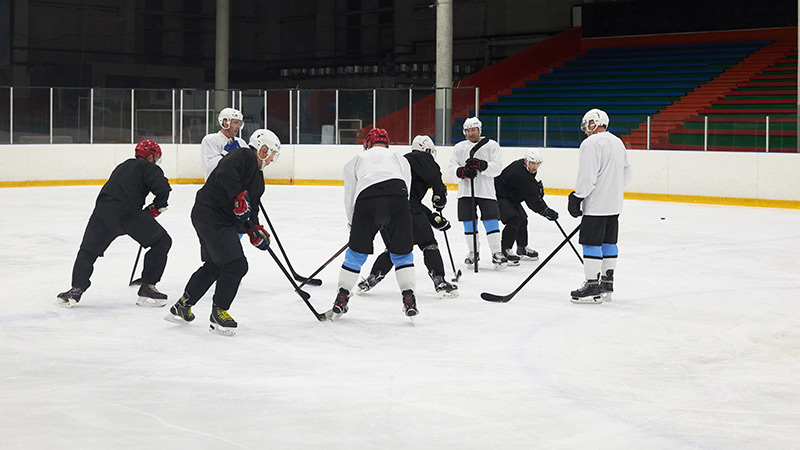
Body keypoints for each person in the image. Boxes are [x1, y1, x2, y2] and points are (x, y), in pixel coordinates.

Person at [165, 129, 280, 335]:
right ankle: (219, 313)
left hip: (214, 219)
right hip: (211, 216)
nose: (272, 160)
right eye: (272, 154)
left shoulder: (258, 181)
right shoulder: (243, 155)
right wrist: (239, 197)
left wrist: (255, 230)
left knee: (215, 266)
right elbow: (225, 173)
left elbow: (249, 209)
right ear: (263, 150)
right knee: (236, 265)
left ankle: (182, 305)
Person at [57, 140, 172, 308]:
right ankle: (148, 286)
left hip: (102, 212)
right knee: (162, 241)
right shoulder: (149, 167)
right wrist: (157, 206)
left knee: (88, 252)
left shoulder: (122, 166)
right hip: (128, 213)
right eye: (155, 158)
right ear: (151, 156)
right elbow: (163, 188)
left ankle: (76, 289)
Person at [355, 135, 458, 298]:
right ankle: (440, 280)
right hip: (406, 209)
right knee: (428, 244)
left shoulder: (401, 161)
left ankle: (371, 278)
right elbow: (433, 180)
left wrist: (431, 217)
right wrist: (440, 193)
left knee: (394, 248)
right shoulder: (423, 157)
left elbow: (412, 200)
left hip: (385, 210)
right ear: (428, 150)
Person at [331, 127, 418, 319]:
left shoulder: (356, 160)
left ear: (368, 143)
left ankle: (342, 298)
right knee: (402, 254)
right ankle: (409, 297)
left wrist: (353, 225)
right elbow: (407, 189)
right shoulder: (399, 158)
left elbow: (350, 196)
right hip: (398, 199)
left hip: (367, 200)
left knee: (356, 254)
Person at [567, 108, 632, 304]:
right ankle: (607, 282)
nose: (585, 129)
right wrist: (612, 188)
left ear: (594, 123)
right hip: (614, 204)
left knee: (591, 242)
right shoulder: (618, 142)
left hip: (596, 204)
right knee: (608, 242)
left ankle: (592, 285)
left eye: (587, 125)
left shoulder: (590, 143)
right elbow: (627, 173)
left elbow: (587, 175)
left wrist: (577, 196)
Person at [448, 117, 507, 270]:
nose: (470, 133)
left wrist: (483, 165)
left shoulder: (492, 145)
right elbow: (451, 167)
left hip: (486, 191)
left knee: (491, 221)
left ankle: (496, 252)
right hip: (465, 192)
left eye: (473, 130)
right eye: (468, 130)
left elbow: (498, 168)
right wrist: (461, 172)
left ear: (479, 130)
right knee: (469, 222)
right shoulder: (459, 147)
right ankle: (473, 252)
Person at [494, 148, 559, 266]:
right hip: (499, 196)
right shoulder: (520, 173)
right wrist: (545, 210)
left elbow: (529, 190)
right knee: (514, 219)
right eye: (532, 163)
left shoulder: (526, 169)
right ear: (526, 161)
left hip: (510, 196)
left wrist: (536, 191)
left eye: (537, 163)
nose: (535, 166)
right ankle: (505, 250)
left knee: (523, 219)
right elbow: (532, 200)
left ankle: (522, 248)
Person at [201, 107, 247, 180]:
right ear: (225, 123)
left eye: (240, 124)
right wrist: (225, 154)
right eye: (235, 123)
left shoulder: (241, 142)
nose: (238, 127)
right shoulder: (210, 140)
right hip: (216, 188)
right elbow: (210, 167)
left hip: (236, 187)